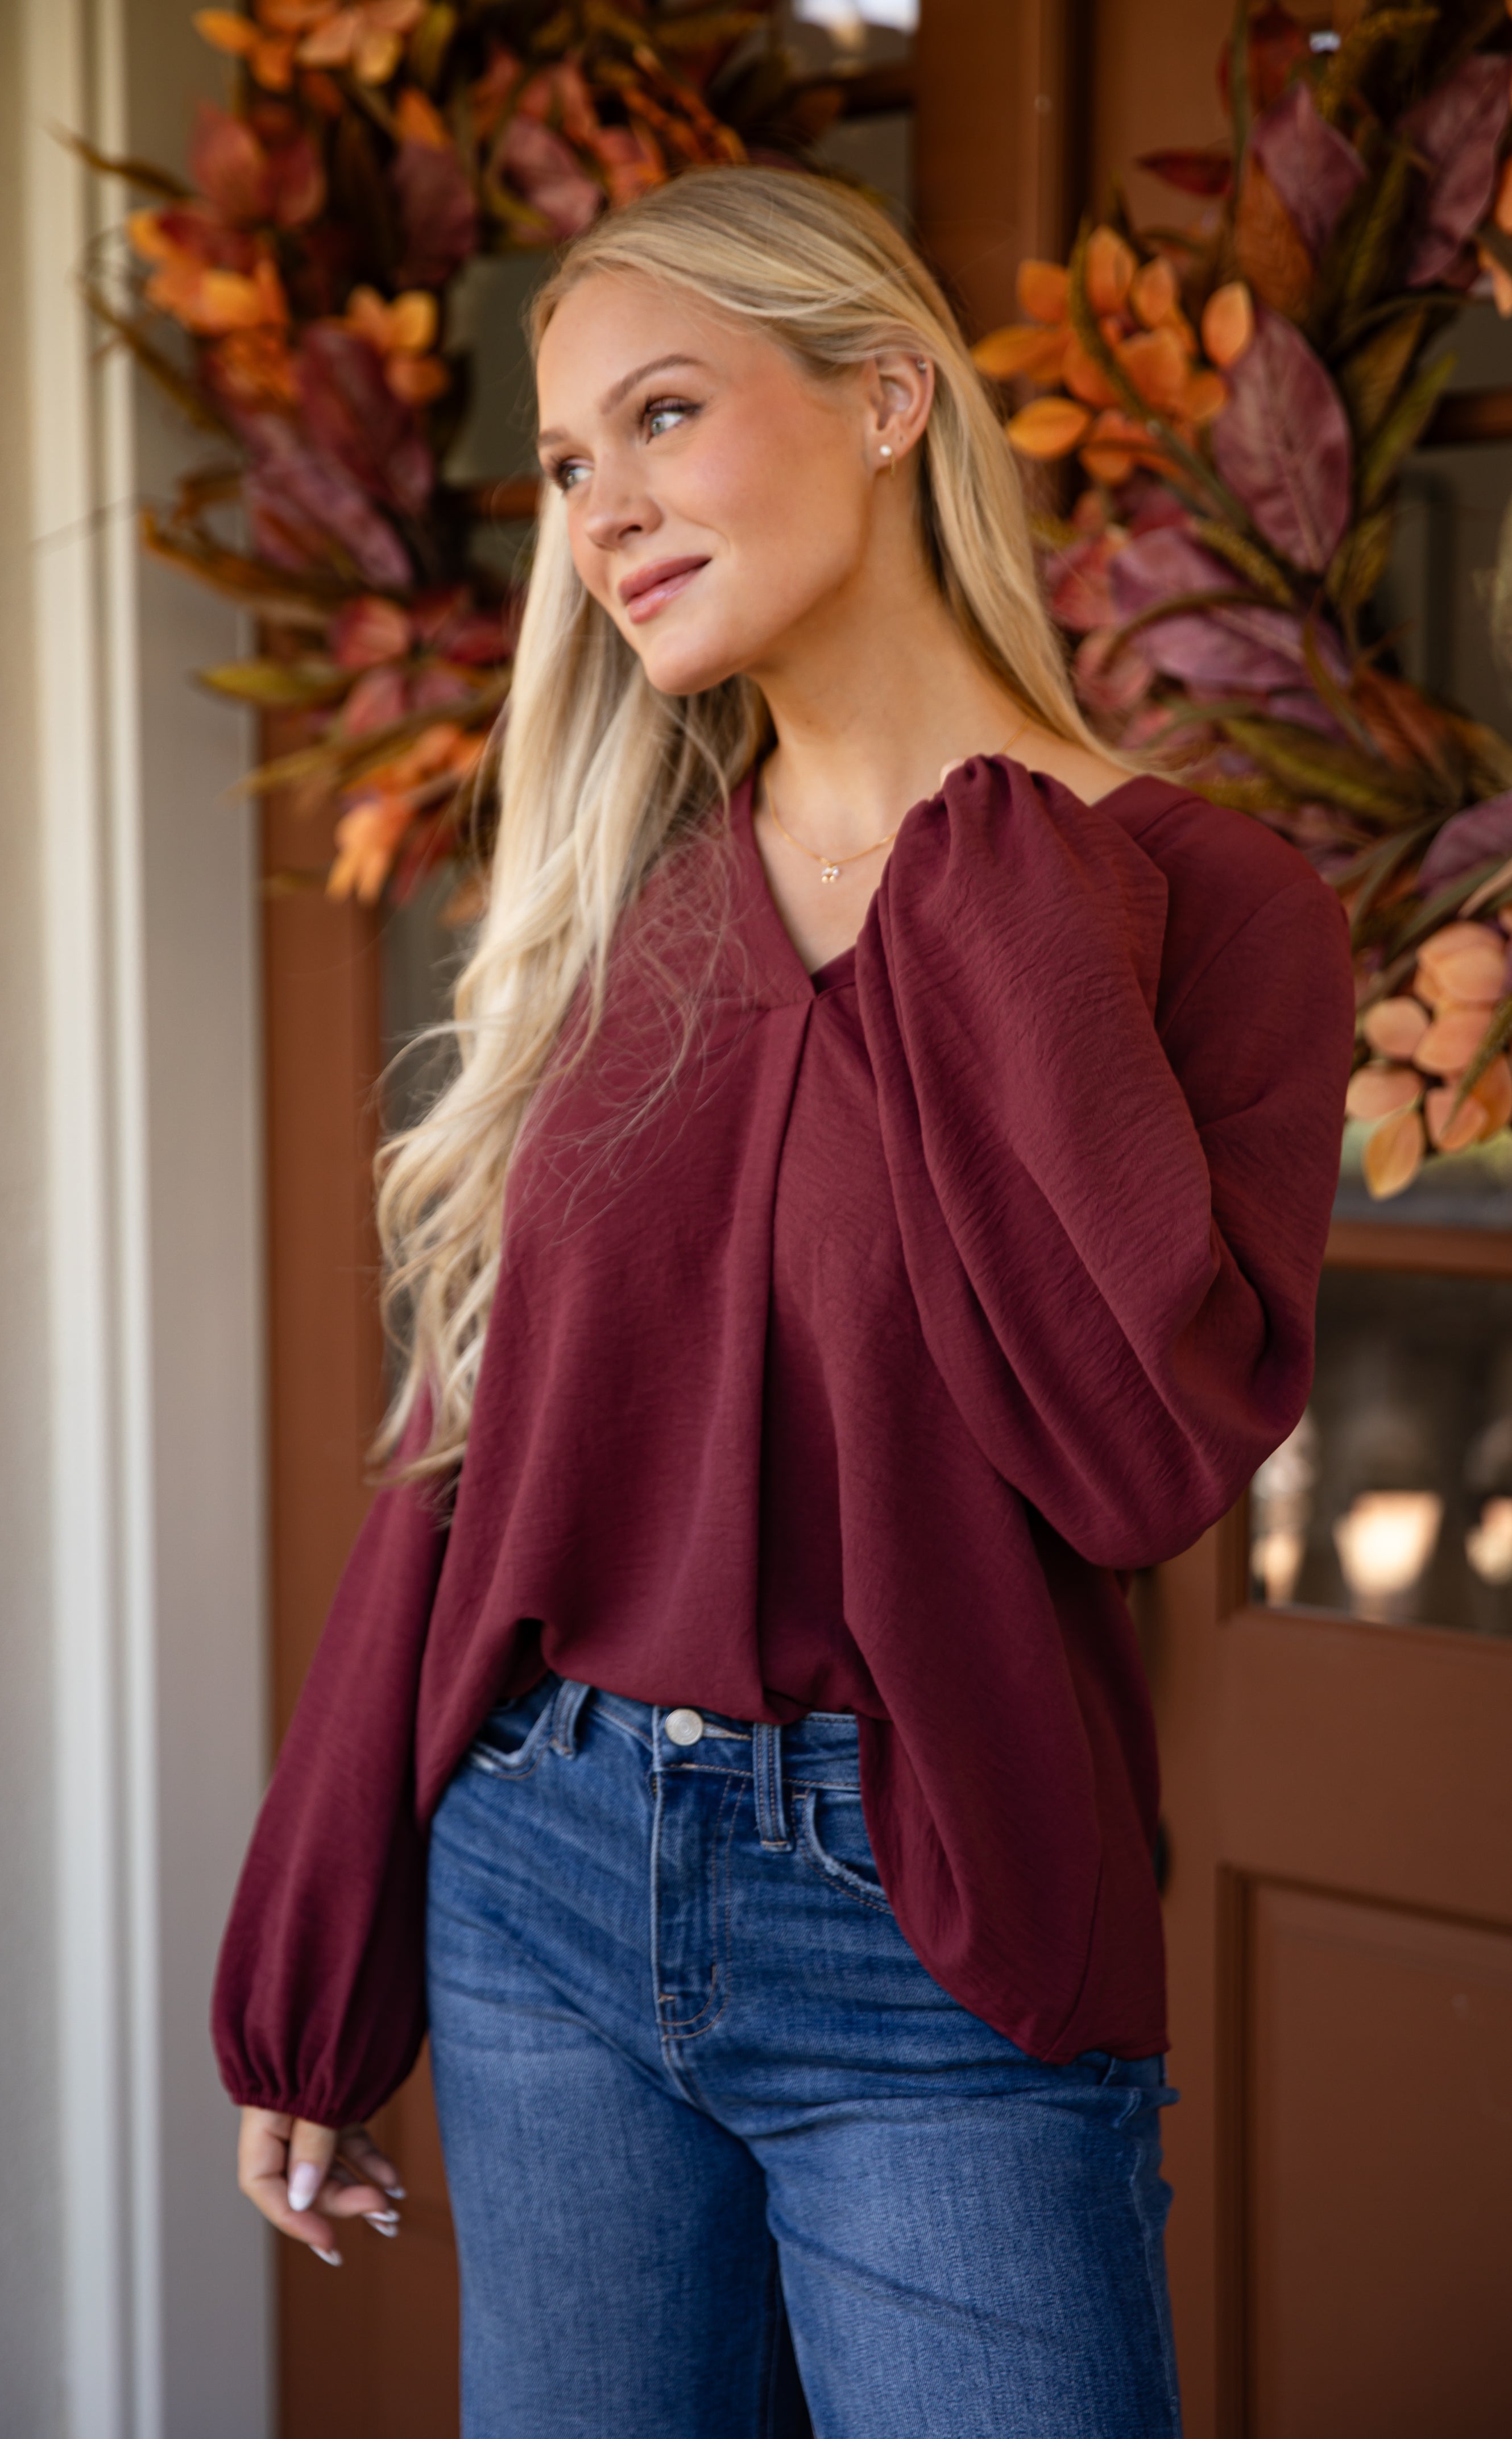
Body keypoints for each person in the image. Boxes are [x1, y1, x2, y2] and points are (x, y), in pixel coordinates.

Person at [213, 166, 1353, 2438]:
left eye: (659, 416)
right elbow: (472, 1460)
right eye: (563, 467)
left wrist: (990, 874)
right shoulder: (622, 894)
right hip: (537, 1880)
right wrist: (314, 1974)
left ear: (887, 398)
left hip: (925, 1920)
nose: (603, 512)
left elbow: (1134, 1456)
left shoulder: (1188, 903)